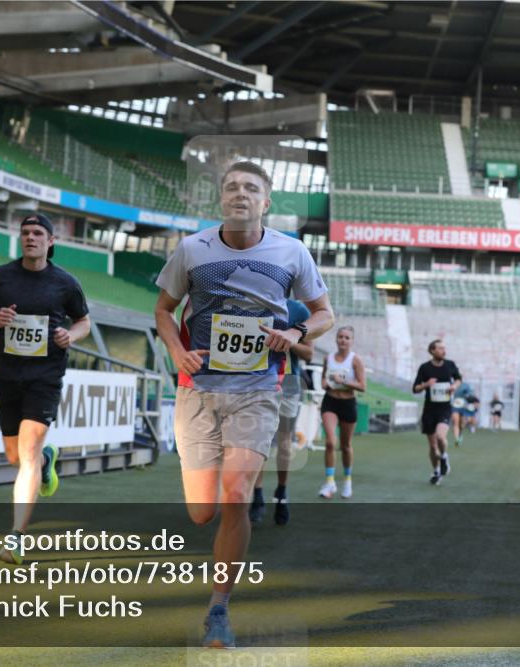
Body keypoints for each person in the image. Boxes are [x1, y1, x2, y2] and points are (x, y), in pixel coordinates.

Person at [155, 161, 334, 649]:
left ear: (266, 201)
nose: (240, 193)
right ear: (221, 198)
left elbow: (325, 313)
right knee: (201, 512)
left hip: (258, 390)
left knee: (236, 494)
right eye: (232, 186)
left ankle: (218, 609)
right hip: (197, 390)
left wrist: (296, 332)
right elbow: (163, 310)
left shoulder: (291, 252)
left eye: (251, 188)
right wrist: (176, 350)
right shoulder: (192, 249)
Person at [0, 213, 91, 564]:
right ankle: (47, 460)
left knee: (27, 453)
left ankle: (16, 538)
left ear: (51, 241)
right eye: (25, 232)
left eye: (38, 233)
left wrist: (70, 336)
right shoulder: (0, 277)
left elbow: (83, 322)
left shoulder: (65, 283)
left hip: (45, 377)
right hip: (7, 376)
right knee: (16, 457)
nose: (30, 237)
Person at [249, 299, 313, 526]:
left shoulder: (298, 310)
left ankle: (281, 492)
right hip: (257, 380)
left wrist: (288, 339)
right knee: (259, 440)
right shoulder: (252, 302)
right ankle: (257, 495)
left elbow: (309, 353)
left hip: (288, 382)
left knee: (284, 441)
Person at [318, 326, 365, 499]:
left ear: (352, 341)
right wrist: (325, 383)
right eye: (340, 337)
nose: (343, 340)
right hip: (330, 401)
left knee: (345, 446)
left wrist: (344, 381)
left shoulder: (355, 360)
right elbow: (324, 379)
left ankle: (347, 480)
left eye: (347, 337)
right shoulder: (328, 358)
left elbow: (362, 386)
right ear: (336, 339)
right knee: (330, 442)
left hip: (348, 403)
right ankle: (330, 482)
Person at [412, 339, 461, 486]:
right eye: (440, 348)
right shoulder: (425, 368)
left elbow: (459, 379)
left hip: (444, 408)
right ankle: (436, 471)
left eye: (444, 348)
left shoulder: (450, 365)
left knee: (440, 436)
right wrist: (426, 384)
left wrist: (454, 386)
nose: (443, 351)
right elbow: (415, 388)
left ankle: (444, 457)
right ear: (432, 351)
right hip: (429, 410)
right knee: (433, 446)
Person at [451, 381, 471, 447]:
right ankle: (456, 439)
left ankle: (460, 434)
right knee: (455, 422)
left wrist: (467, 394)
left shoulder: (466, 385)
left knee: (462, 423)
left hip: (463, 406)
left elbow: (469, 395)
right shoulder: (452, 384)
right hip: (455, 406)